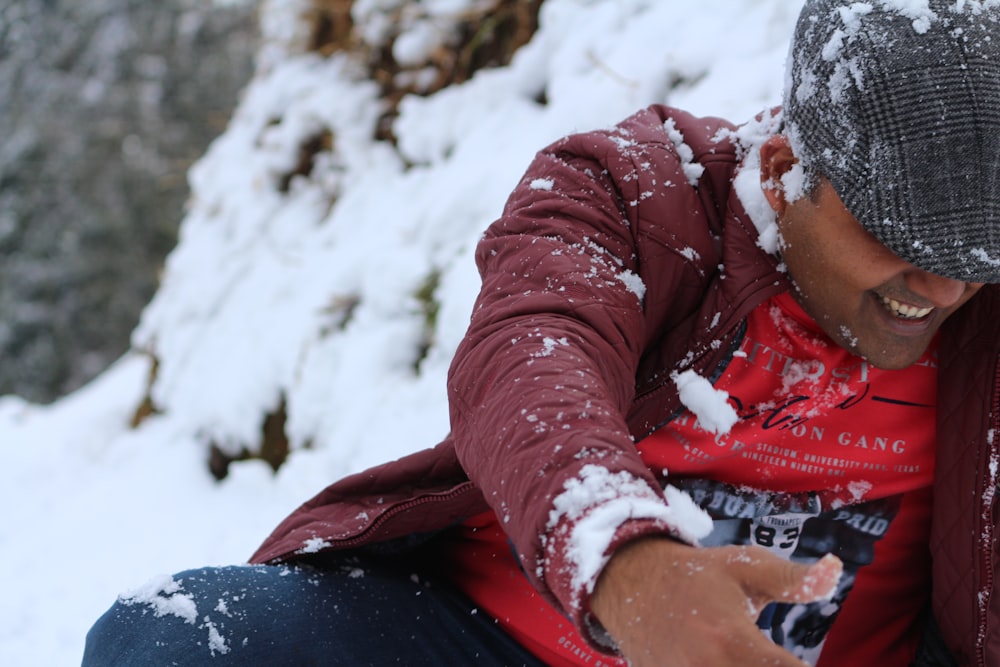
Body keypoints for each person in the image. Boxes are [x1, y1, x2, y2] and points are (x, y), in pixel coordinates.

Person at [83, 1, 1000, 665]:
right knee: (168, 638)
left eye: (979, 253)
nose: (946, 285)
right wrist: (629, 567)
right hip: (486, 639)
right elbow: (529, 356)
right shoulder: (639, 189)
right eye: (901, 241)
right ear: (784, 162)